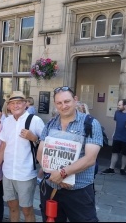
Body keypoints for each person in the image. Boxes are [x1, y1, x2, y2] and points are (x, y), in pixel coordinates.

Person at [37, 86, 103, 222]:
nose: (63, 106)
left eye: (67, 101)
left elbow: (90, 159)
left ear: (75, 100)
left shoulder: (90, 123)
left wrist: (62, 174)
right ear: (55, 104)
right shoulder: (50, 124)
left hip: (79, 191)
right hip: (52, 189)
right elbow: (40, 153)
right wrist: (52, 175)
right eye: (59, 103)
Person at [0, 91, 44, 222]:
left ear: (25, 104)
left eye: (19, 102)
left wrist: (34, 138)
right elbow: (3, 145)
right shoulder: (7, 121)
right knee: (12, 206)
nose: (16, 106)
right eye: (13, 103)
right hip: (8, 172)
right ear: (8, 106)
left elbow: (47, 146)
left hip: (25, 174)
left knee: (27, 209)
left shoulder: (35, 120)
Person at [101, 99, 126, 176]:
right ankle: (111, 168)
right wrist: (114, 133)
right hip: (117, 136)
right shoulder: (117, 113)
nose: (118, 106)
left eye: (120, 105)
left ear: (125, 106)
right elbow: (116, 124)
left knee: (125, 154)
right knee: (114, 152)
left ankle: (122, 169)